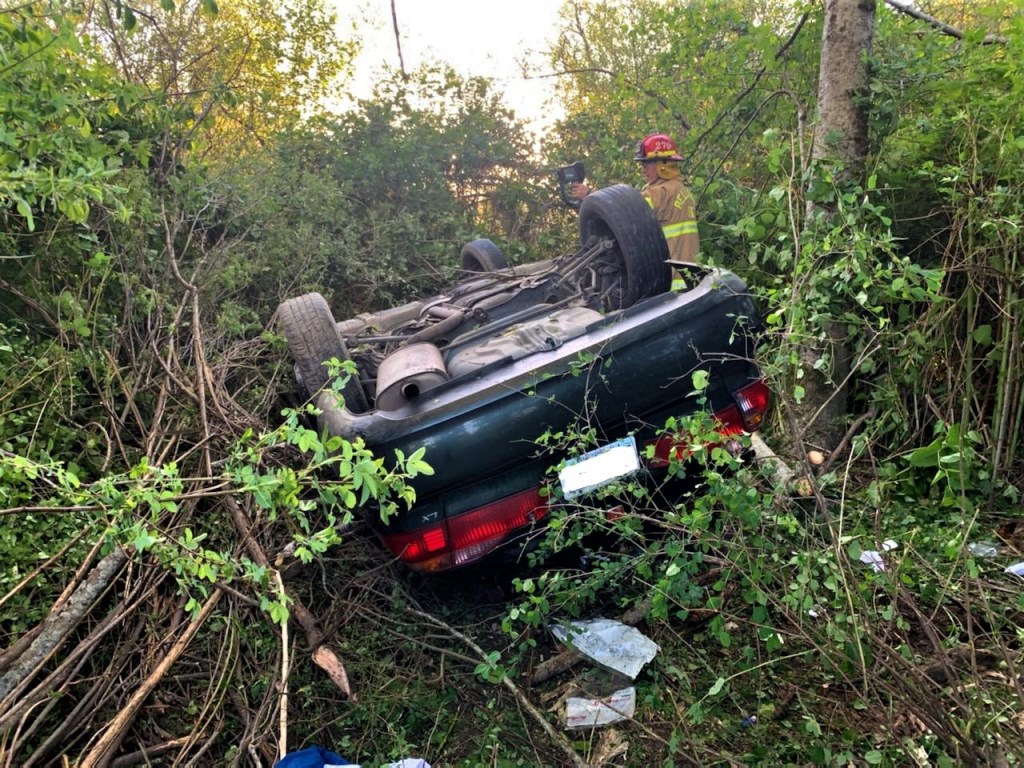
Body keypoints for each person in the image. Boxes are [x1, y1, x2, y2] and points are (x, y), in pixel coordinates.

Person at [571, 133, 700, 266]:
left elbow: (624, 216)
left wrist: (590, 195)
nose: (643, 170)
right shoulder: (682, 189)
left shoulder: (659, 193)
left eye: (646, 165)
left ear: (663, 165)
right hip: (689, 276)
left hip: (669, 279)